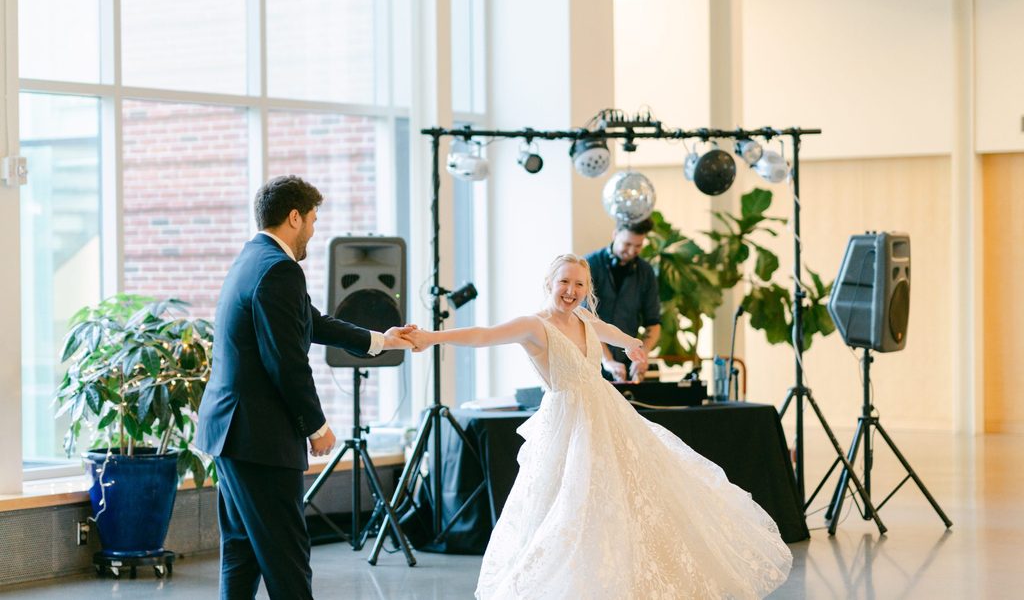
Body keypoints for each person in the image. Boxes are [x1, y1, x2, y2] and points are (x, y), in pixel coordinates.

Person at [406, 254, 791, 599]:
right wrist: (431, 337)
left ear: (587, 290)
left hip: (609, 418)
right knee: (572, 507)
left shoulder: (585, 319)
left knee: (629, 502)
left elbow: (612, 333)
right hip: (570, 424)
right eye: (564, 282)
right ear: (549, 283)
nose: (570, 291)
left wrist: (633, 345)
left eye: (579, 284)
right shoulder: (534, 327)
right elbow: (484, 336)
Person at [196, 175, 416, 600]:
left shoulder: (251, 260)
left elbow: (310, 322)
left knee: (242, 556)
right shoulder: (280, 269)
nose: (314, 232)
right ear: (293, 217)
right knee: (287, 562)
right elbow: (287, 363)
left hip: (231, 434)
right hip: (260, 440)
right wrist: (316, 426)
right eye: (313, 221)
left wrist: (379, 340)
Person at [585, 218, 661, 382]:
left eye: (638, 246)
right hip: (591, 361)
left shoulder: (646, 272)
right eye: (627, 244)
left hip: (626, 362)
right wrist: (607, 360)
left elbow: (653, 323)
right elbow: (584, 321)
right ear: (615, 235)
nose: (632, 251)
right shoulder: (589, 266)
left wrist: (643, 354)